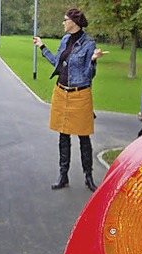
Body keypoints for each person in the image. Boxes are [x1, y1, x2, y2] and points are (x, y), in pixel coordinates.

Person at [33, 8, 109, 192]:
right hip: (61, 92)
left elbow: (88, 75)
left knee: (84, 136)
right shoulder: (65, 40)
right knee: (63, 135)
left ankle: (88, 177)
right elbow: (57, 63)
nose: (63, 23)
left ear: (74, 22)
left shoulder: (89, 44)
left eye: (65, 20)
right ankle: (63, 175)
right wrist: (42, 47)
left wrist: (92, 60)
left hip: (80, 94)